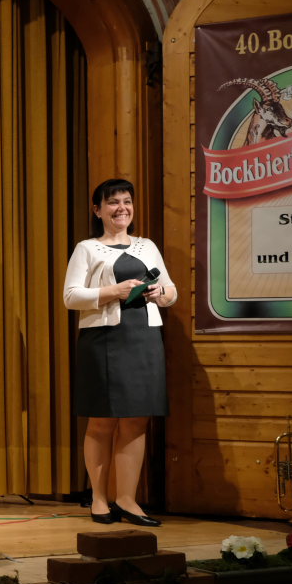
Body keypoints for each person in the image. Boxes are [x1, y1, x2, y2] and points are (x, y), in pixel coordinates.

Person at [63, 178, 176, 527]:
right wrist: (115, 291)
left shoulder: (147, 246)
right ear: (97, 210)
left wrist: (159, 293)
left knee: (137, 420)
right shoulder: (87, 248)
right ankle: (99, 498)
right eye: (113, 202)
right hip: (104, 340)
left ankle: (127, 499)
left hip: (144, 337)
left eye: (127, 201)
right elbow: (70, 296)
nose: (121, 208)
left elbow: (171, 290)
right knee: (102, 420)